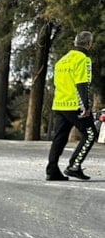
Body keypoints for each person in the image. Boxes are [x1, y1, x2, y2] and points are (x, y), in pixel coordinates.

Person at [46, 31, 95, 181]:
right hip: (75, 105)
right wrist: (86, 106)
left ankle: (52, 170)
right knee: (90, 134)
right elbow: (83, 84)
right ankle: (74, 166)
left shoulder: (62, 61)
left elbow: (56, 83)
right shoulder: (83, 59)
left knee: (59, 138)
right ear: (89, 44)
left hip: (60, 104)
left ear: (75, 42)